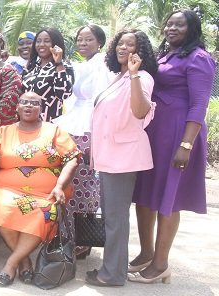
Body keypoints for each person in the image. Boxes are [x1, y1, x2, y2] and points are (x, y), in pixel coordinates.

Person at [130, 9, 216, 284]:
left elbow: (199, 103)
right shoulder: (163, 55)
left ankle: (161, 264)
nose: (172, 28)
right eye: (169, 23)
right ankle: (145, 253)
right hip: (154, 133)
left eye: (180, 25)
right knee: (144, 195)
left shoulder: (199, 58)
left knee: (169, 200)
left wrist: (187, 144)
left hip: (179, 132)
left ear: (192, 29)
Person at [0, 92, 80, 286]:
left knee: (43, 211)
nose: (28, 106)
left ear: (41, 109)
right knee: (1, 206)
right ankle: (24, 259)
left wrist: (60, 186)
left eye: (34, 103)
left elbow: (73, 158)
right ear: (17, 107)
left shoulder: (54, 131)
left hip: (47, 191)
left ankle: (11, 263)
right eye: (24, 102)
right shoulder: (3, 132)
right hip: (9, 189)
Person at [84, 29, 157, 287]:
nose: (123, 48)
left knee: (115, 219)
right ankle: (112, 268)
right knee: (113, 217)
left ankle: (112, 274)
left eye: (131, 44)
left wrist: (135, 74)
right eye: (120, 43)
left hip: (123, 158)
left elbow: (140, 111)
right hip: (109, 157)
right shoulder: (118, 77)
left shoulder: (142, 78)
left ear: (141, 51)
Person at [52, 24, 110, 257]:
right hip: (74, 120)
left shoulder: (104, 63)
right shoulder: (83, 64)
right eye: (79, 40)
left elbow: (103, 98)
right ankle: (68, 235)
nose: (83, 43)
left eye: (88, 39)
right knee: (69, 180)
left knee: (85, 181)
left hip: (91, 123)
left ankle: (83, 239)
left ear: (100, 42)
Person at [22, 28, 73, 122]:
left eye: (47, 41)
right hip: (27, 123)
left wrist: (58, 63)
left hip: (50, 124)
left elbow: (64, 94)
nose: (41, 44)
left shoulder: (65, 67)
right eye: (38, 41)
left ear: (55, 44)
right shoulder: (31, 67)